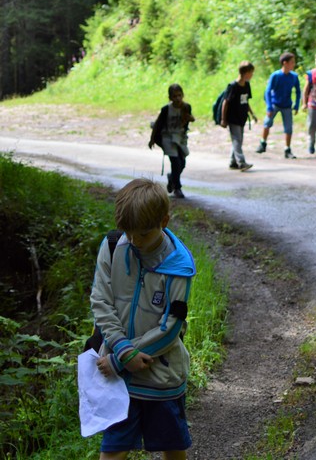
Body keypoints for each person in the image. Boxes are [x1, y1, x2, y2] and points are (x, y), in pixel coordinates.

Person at [90, 178, 197, 459]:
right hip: (119, 378)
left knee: (173, 448)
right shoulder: (113, 246)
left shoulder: (179, 265)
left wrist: (121, 358)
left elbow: (171, 327)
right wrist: (123, 353)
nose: (135, 242)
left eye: (144, 234)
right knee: (112, 451)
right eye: (130, 233)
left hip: (161, 377)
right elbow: (100, 302)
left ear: (164, 221)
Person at [148, 84, 194, 199]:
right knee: (176, 162)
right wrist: (152, 139)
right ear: (170, 98)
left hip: (180, 137)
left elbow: (189, 119)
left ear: (183, 95)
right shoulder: (166, 109)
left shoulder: (186, 107)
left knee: (182, 163)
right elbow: (157, 124)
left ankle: (172, 177)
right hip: (168, 138)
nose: (177, 98)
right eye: (174, 96)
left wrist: (189, 118)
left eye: (179, 95)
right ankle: (177, 188)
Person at [256, 52, 301, 159]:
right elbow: (267, 91)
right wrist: (269, 106)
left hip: (286, 105)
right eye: (292, 62)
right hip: (275, 103)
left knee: (288, 127)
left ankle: (287, 149)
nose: (293, 64)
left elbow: (298, 91)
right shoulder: (276, 76)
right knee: (267, 123)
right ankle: (263, 143)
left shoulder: (294, 77)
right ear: (285, 63)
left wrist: (296, 105)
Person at [220, 61, 258, 171]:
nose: (252, 75)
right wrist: (223, 119)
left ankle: (233, 162)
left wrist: (252, 114)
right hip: (233, 118)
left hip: (242, 117)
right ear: (245, 73)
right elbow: (225, 102)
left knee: (238, 140)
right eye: (251, 73)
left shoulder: (246, 85)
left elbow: (246, 101)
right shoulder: (233, 86)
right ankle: (241, 162)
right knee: (237, 139)